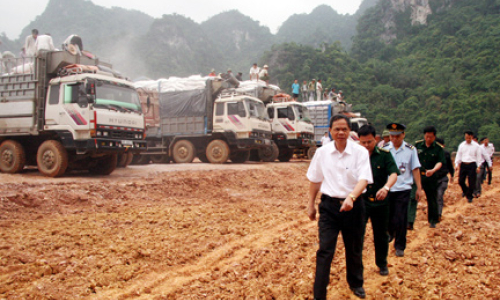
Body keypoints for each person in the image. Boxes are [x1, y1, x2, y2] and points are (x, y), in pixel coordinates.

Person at [307, 114, 373, 299]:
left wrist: (351, 197)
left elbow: (364, 179)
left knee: (354, 248)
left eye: (344, 129)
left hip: (354, 206)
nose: (341, 132)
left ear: (350, 131)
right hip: (329, 207)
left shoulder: (360, 152)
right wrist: (310, 204)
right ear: (330, 131)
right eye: (337, 129)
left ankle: (356, 283)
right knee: (325, 250)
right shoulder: (322, 153)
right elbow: (315, 180)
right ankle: (319, 294)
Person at [358, 125, 399, 276]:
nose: (366, 146)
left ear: (375, 139)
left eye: (369, 142)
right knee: (357, 235)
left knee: (381, 234)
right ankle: (357, 266)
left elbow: (394, 173)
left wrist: (386, 187)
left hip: (380, 201)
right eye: (363, 143)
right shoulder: (355, 156)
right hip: (361, 201)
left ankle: (382, 264)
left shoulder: (384, 155)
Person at [383, 123, 422, 257]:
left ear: (403, 135)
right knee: (388, 216)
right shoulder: (384, 149)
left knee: (401, 218)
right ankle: (390, 232)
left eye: (397, 136)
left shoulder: (411, 150)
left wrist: (419, 188)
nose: (394, 139)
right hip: (388, 189)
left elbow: (415, 169)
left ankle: (400, 246)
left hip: (403, 189)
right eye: (392, 136)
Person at [413, 126, 445, 228]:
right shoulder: (417, 146)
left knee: (432, 199)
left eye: (430, 137)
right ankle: (409, 221)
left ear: (434, 137)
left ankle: (432, 220)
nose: (428, 139)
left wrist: (433, 170)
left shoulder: (438, 148)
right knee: (413, 197)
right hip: (418, 175)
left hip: (431, 176)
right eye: (426, 136)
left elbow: (440, 162)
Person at [454, 130, 482, 203]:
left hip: (472, 164)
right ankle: (467, 192)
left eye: (469, 138)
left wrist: (478, 166)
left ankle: (469, 197)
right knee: (460, 181)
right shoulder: (462, 145)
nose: (467, 139)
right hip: (463, 164)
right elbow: (459, 155)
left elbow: (479, 157)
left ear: (471, 137)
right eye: (466, 138)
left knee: (471, 182)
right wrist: (457, 164)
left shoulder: (476, 146)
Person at [434, 138, 454, 222]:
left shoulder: (446, 154)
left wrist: (452, 175)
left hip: (443, 178)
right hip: (433, 179)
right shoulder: (432, 154)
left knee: (439, 195)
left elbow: (449, 165)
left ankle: (438, 214)